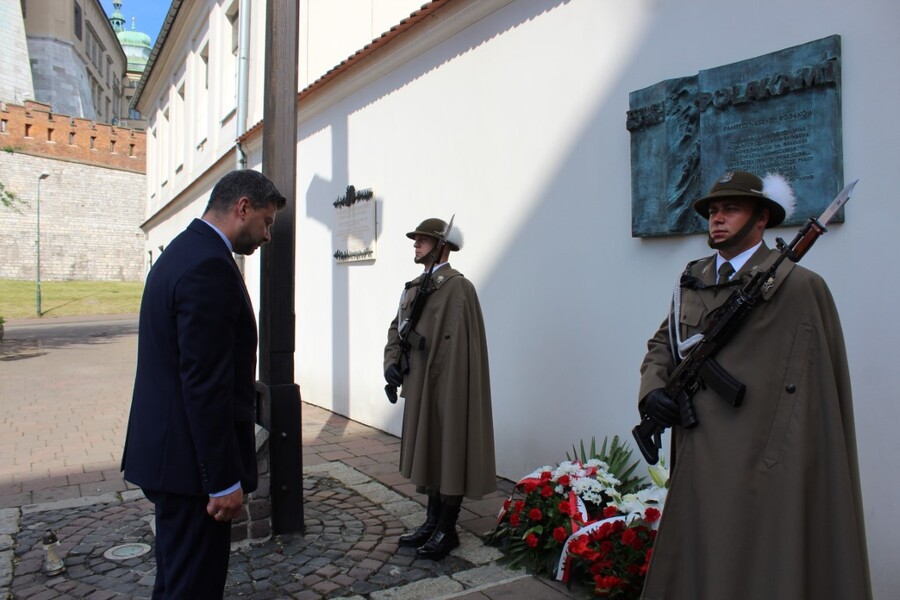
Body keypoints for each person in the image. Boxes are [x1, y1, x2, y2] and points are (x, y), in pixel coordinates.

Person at [636, 170, 871, 599]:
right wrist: (653, 392)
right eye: (712, 211)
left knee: (758, 566)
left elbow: (814, 388)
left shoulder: (799, 287)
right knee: (699, 561)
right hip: (698, 450)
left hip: (762, 461)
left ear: (761, 218)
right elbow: (663, 344)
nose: (717, 218)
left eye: (731, 209)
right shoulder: (693, 278)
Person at [121, 169, 286, 599]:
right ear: (242, 207)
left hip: (171, 456)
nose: (268, 235)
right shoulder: (208, 267)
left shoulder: (183, 251)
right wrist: (221, 481)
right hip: (190, 470)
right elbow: (204, 383)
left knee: (177, 580)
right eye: (266, 222)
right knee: (194, 586)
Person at [383, 217, 496, 560]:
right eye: (416, 239)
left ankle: (447, 528)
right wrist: (391, 364)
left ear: (441, 246)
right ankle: (431, 522)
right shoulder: (416, 285)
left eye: (423, 240)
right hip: (420, 382)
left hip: (447, 385)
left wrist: (446, 386)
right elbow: (397, 327)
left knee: (448, 449)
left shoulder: (458, 287)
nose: (416, 245)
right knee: (430, 449)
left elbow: (460, 345)